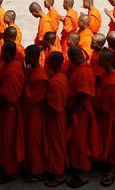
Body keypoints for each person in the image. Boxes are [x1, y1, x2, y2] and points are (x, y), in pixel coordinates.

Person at [66, 45, 101, 188]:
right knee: (77, 141)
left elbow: (83, 94)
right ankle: (77, 166)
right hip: (78, 110)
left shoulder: (85, 71)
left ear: (74, 58)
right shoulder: (82, 69)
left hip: (81, 111)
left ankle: (84, 173)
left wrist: (72, 108)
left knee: (82, 142)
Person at [0, 41, 26, 183]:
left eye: (2, 52)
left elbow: (10, 96)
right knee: (3, 140)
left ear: (7, 53)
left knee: (9, 141)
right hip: (5, 110)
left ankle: (10, 171)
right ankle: (3, 165)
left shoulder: (13, 70)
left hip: (9, 111)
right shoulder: (11, 65)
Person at [96, 49, 115, 187]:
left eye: (100, 59)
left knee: (111, 142)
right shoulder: (107, 75)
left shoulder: (112, 80)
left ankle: (111, 171)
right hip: (104, 115)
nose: (98, 61)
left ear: (106, 61)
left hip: (109, 116)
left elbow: (109, 104)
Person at [22, 45, 48, 183]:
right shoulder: (33, 71)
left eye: (26, 56)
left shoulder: (40, 76)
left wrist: (25, 83)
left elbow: (32, 98)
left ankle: (37, 171)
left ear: (32, 57)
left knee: (34, 142)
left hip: (35, 113)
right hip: (30, 112)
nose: (25, 58)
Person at [44, 51, 68, 187]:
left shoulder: (57, 82)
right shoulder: (59, 77)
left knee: (56, 145)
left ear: (54, 63)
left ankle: (59, 175)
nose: (46, 63)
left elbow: (55, 105)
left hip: (56, 118)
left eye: (48, 61)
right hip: (56, 117)